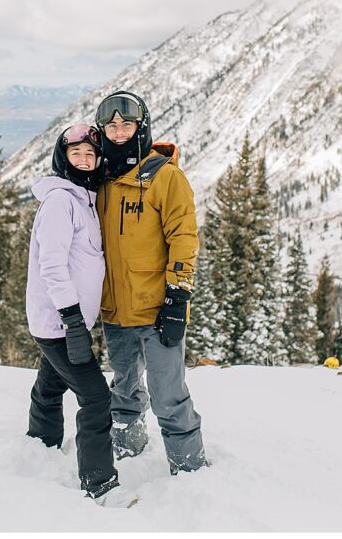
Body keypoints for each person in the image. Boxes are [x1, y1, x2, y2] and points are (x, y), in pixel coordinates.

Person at [93, 90, 208, 475]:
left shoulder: (165, 176)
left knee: (168, 394)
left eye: (127, 123)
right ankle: (128, 448)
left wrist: (178, 295)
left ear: (141, 126)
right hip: (115, 310)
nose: (119, 130)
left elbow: (184, 236)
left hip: (158, 308)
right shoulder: (101, 180)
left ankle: (190, 468)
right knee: (124, 387)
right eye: (111, 125)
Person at [25, 123, 138, 508]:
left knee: (51, 383)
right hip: (59, 322)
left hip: (63, 321)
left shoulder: (84, 198)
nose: (85, 160)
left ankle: (38, 444)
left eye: (91, 154)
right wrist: (72, 321)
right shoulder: (61, 202)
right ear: (64, 158)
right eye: (77, 154)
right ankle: (100, 484)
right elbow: (52, 265)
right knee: (95, 397)